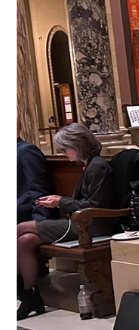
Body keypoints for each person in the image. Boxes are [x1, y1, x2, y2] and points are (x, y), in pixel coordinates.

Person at [17, 124, 120, 319]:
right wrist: (58, 202)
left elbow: (94, 205)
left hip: (91, 225)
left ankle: (19, 289)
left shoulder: (98, 166)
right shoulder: (90, 165)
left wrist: (60, 202)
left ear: (77, 145)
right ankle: (30, 295)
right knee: (25, 240)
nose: (63, 154)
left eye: (65, 149)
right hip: (83, 221)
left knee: (20, 228)